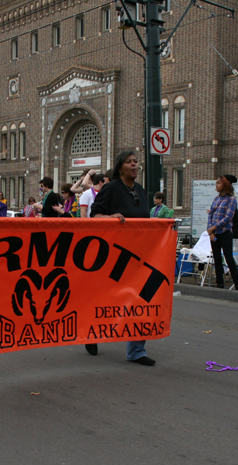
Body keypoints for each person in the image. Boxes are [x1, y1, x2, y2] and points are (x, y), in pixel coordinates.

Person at [89, 150, 156, 366]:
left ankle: (137, 351)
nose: (135, 165)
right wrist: (109, 218)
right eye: (129, 162)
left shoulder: (140, 190)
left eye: (136, 162)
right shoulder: (111, 188)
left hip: (139, 256)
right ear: (120, 168)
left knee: (141, 300)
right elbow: (94, 215)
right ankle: (90, 332)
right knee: (107, 299)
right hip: (114, 257)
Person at [207, 175, 238, 290]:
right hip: (215, 233)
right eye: (216, 183)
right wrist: (210, 231)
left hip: (225, 232)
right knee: (216, 258)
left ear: (225, 185)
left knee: (228, 258)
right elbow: (211, 215)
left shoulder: (231, 199)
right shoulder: (216, 199)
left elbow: (228, 217)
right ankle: (219, 284)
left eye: (219, 183)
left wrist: (213, 228)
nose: (216, 185)